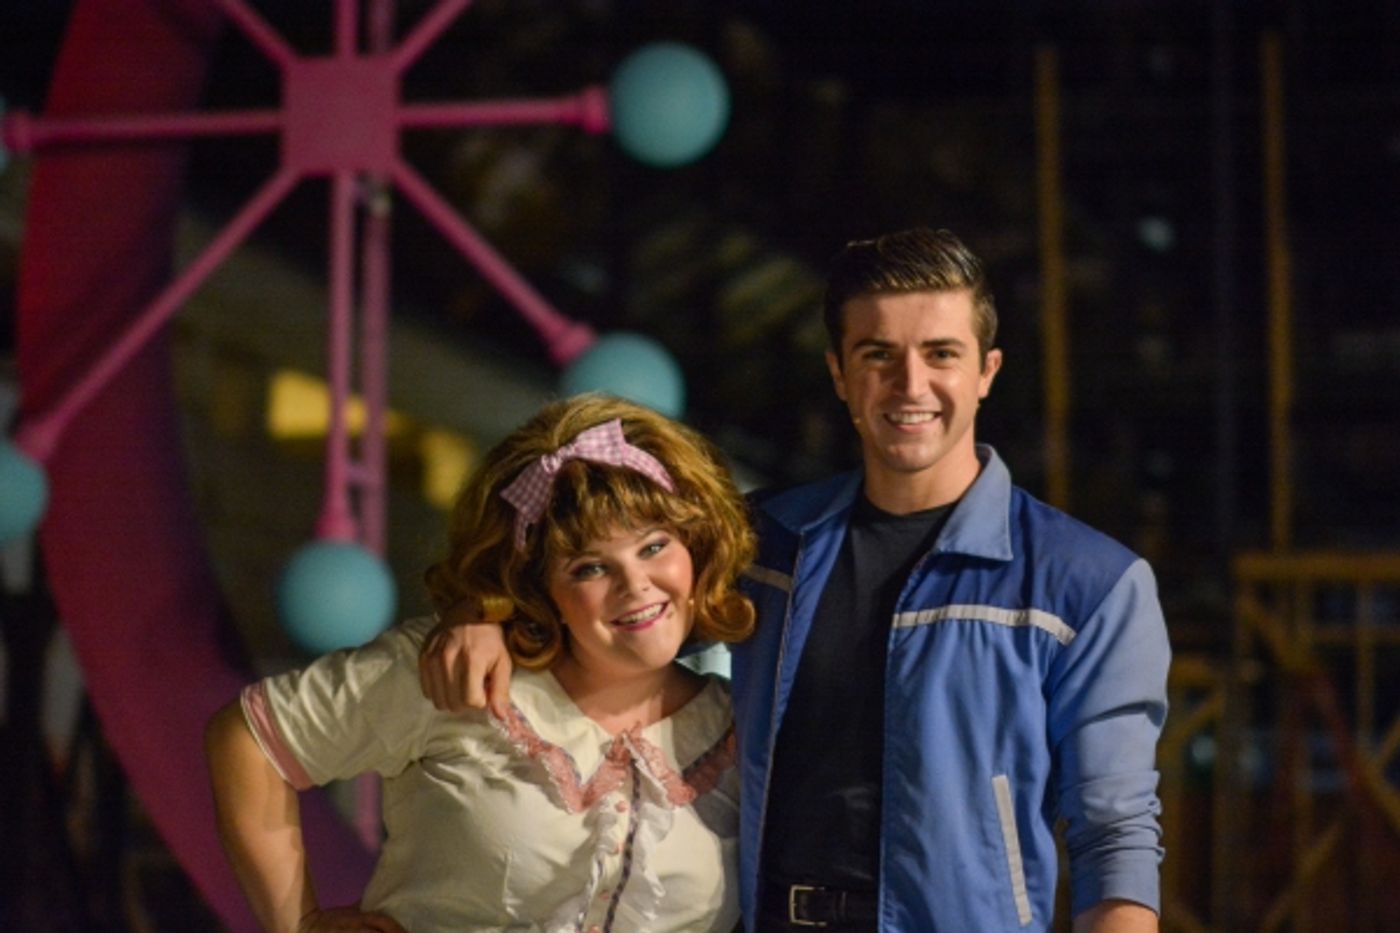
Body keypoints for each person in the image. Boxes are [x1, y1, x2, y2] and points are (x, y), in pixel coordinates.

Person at [421, 227, 1171, 933]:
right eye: (878, 354)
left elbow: (1117, 833)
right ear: (840, 374)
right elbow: (591, 566)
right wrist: (480, 609)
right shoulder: (759, 540)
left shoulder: (1086, 586)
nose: (910, 383)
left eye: (941, 353)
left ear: (986, 371)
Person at [205, 393, 757, 932]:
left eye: (655, 546)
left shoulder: (748, 731)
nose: (635, 585)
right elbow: (248, 741)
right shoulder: (454, 674)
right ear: (538, 585)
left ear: (697, 545)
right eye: (589, 567)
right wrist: (298, 923)